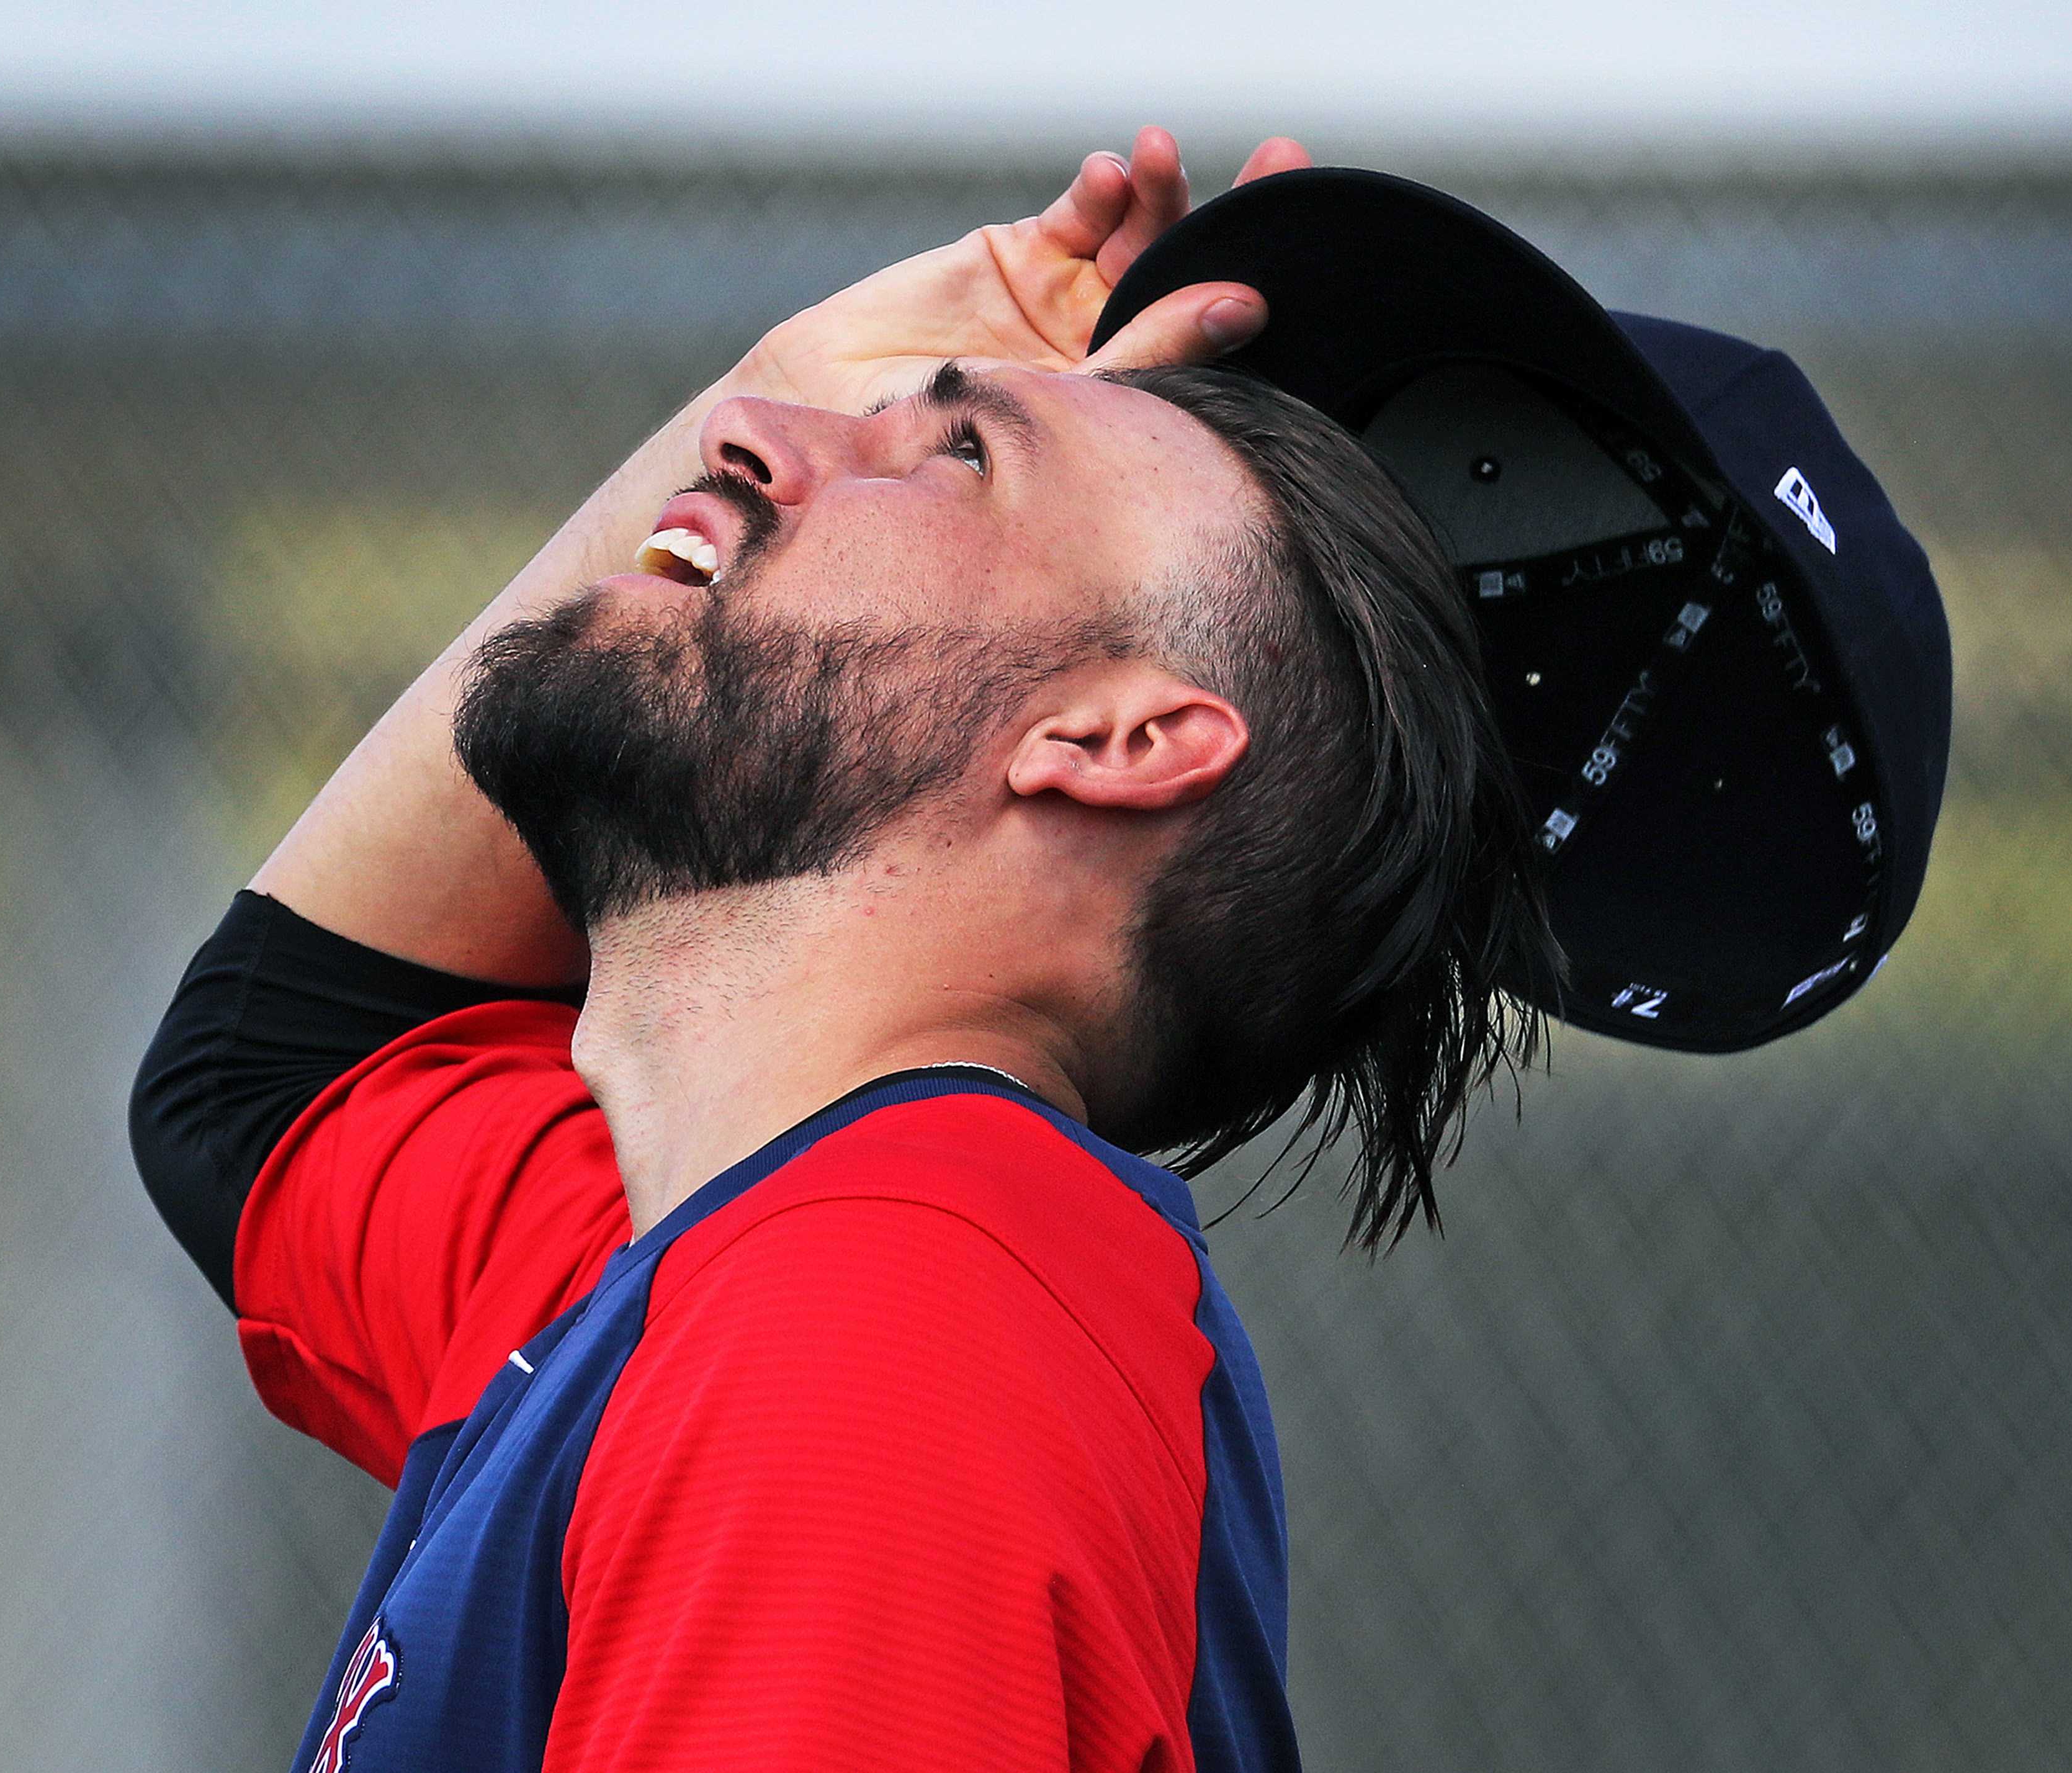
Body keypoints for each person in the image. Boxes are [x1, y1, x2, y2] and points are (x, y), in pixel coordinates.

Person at [130, 128, 1557, 1773]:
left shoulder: (891, 1309)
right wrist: (803, 376)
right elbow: (272, 1082)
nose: (747, 431)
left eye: (953, 455)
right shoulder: (703, 1263)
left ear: (1113, 734)